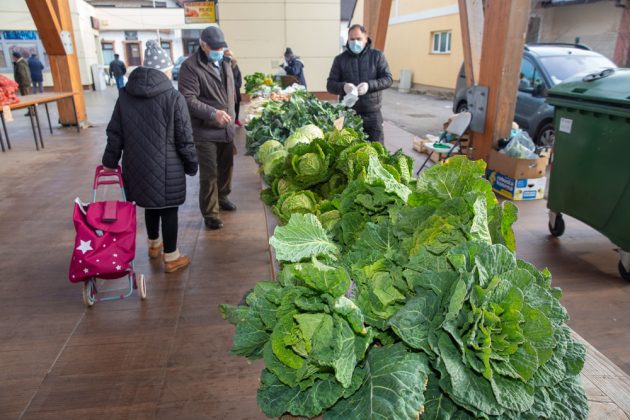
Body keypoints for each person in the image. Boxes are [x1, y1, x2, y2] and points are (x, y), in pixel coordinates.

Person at [102, 40, 198, 273]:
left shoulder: (125, 96)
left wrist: (109, 162)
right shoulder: (173, 97)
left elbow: (115, 132)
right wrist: (191, 164)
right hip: (168, 167)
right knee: (169, 209)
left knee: (150, 205)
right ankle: (172, 257)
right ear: (165, 71)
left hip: (136, 166)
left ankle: (154, 245)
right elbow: (184, 137)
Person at [178, 26, 237, 230]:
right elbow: (187, 99)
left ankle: (223, 197)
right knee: (210, 172)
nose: (219, 51)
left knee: (227, 167)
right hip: (205, 130)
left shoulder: (225, 62)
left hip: (227, 126)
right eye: (215, 48)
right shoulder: (190, 67)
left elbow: (232, 88)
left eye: (221, 48)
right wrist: (213, 113)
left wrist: (234, 64)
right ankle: (211, 213)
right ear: (203, 45)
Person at [326, 24, 392, 143]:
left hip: (372, 114)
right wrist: (344, 87)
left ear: (366, 38)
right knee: (348, 149)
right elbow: (330, 85)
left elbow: (388, 79)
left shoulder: (377, 56)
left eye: (358, 38)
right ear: (348, 40)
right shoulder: (340, 59)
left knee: (377, 148)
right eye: (352, 39)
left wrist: (369, 86)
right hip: (348, 114)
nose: (355, 42)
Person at [224, 49, 243, 126]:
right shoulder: (222, 65)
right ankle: (228, 121)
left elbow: (239, 75)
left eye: (231, 55)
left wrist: (238, 84)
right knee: (228, 106)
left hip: (236, 89)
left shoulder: (235, 65)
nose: (229, 57)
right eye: (228, 55)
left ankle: (236, 119)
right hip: (227, 90)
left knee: (237, 104)